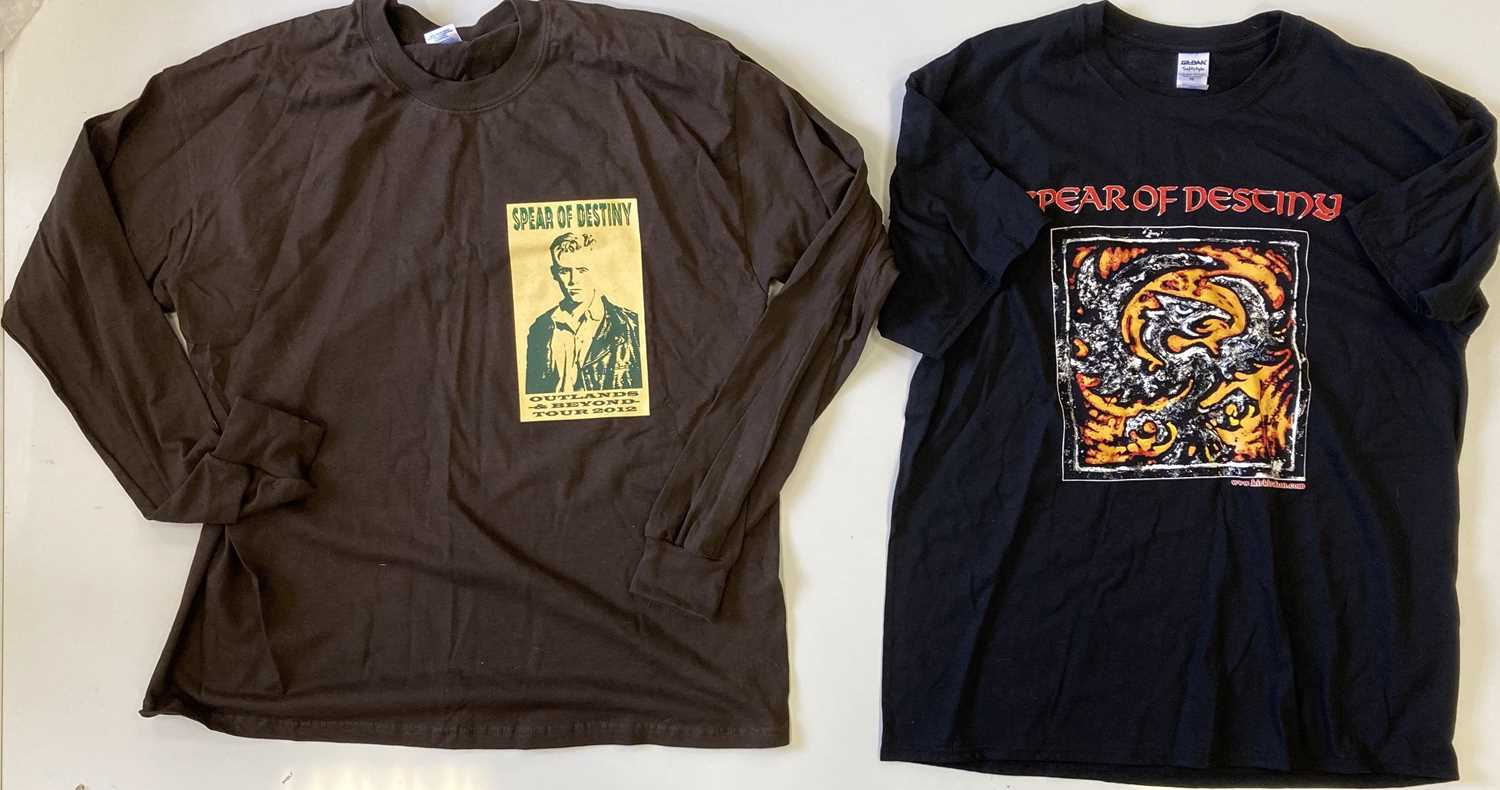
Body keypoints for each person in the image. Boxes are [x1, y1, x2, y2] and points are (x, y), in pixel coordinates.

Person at [524, 232, 643, 393]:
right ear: (554, 273)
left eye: (582, 270)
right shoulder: (541, 327)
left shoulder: (631, 325)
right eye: (564, 271)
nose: (573, 280)